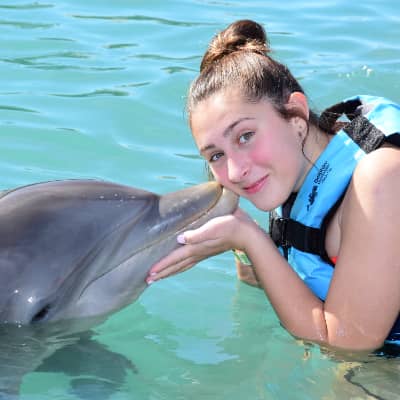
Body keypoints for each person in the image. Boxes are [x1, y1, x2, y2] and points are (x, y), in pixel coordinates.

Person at [146, 19, 400, 353]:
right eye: (216, 155)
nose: (235, 170)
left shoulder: (381, 179)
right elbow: (258, 283)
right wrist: (233, 225)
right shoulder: (294, 174)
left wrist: (249, 238)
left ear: (296, 115)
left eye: (245, 136)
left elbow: (347, 344)